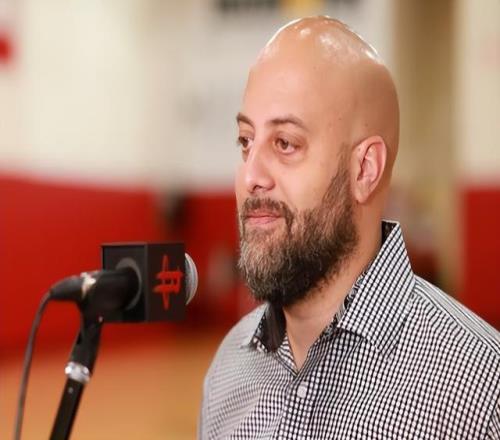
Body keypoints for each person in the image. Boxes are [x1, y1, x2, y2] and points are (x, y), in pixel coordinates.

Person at [198, 17, 499, 439]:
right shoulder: (227, 370)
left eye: (285, 143)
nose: (251, 176)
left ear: (365, 170)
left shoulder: (479, 392)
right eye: (246, 142)